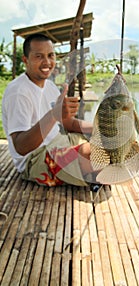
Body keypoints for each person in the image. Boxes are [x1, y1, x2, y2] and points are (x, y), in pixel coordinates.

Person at [2, 33, 96, 187]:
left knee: (111, 142)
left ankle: (93, 172)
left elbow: (68, 123)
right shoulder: (18, 91)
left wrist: (99, 128)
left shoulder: (50, 86)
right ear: (25, 60)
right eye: (39, 56)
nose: (47, 62)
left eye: (51, 55)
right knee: (97, 155)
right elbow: (21, 147)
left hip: (60, 141)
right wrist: (53, 114)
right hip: (35, 158)